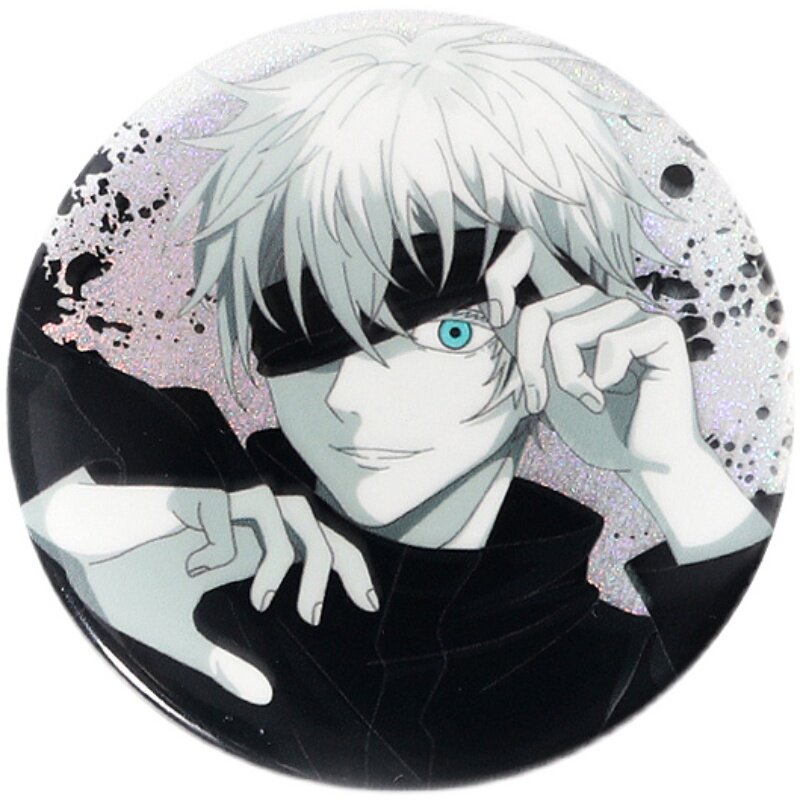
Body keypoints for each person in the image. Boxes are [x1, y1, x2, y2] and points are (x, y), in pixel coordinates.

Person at [11, 24, 773, 786]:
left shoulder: (620, 673)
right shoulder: (173, 476)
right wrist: (75, 530)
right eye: (299, 328)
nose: (348, 396)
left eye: (447, 328)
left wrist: (674, 470)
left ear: (566, 320)